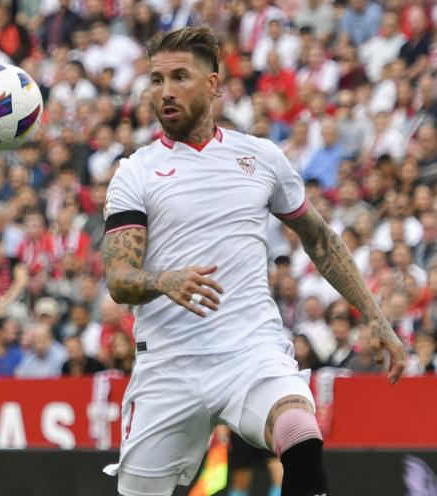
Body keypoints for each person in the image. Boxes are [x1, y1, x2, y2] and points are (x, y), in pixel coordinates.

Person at [100, 27, 405, 496]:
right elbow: (118, 278)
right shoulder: (135, 173)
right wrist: (163, 280)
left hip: (249, 352)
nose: (165, 92)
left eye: (180, 77)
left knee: (301, 433)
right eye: (156, 80)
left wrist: (376, 317)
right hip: (168, 365)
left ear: (214, 84)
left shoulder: (260, 158)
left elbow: (320, 241)